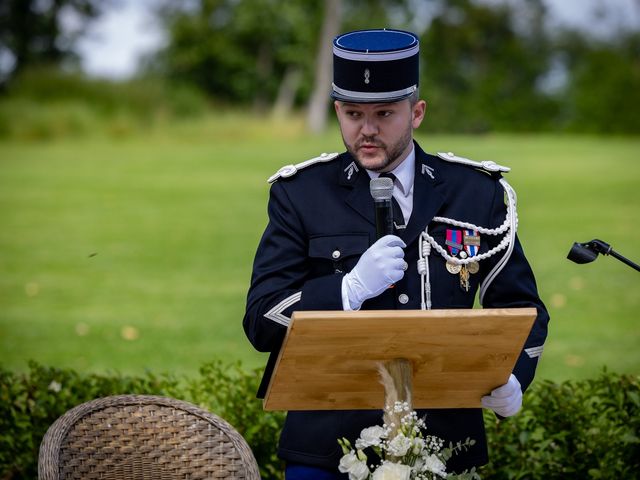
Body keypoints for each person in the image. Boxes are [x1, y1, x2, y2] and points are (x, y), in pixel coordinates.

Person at [244, 28, 549, 479]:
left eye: (384, 113)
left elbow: (522, 308)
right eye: (352, 113)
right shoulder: (301, 194)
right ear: (337, 112)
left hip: (444, 441)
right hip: (328, 447)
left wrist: (514, 377)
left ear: (417, 112)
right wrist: (347, 291)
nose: (366, 130)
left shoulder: (474, 192)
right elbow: (261, 319)